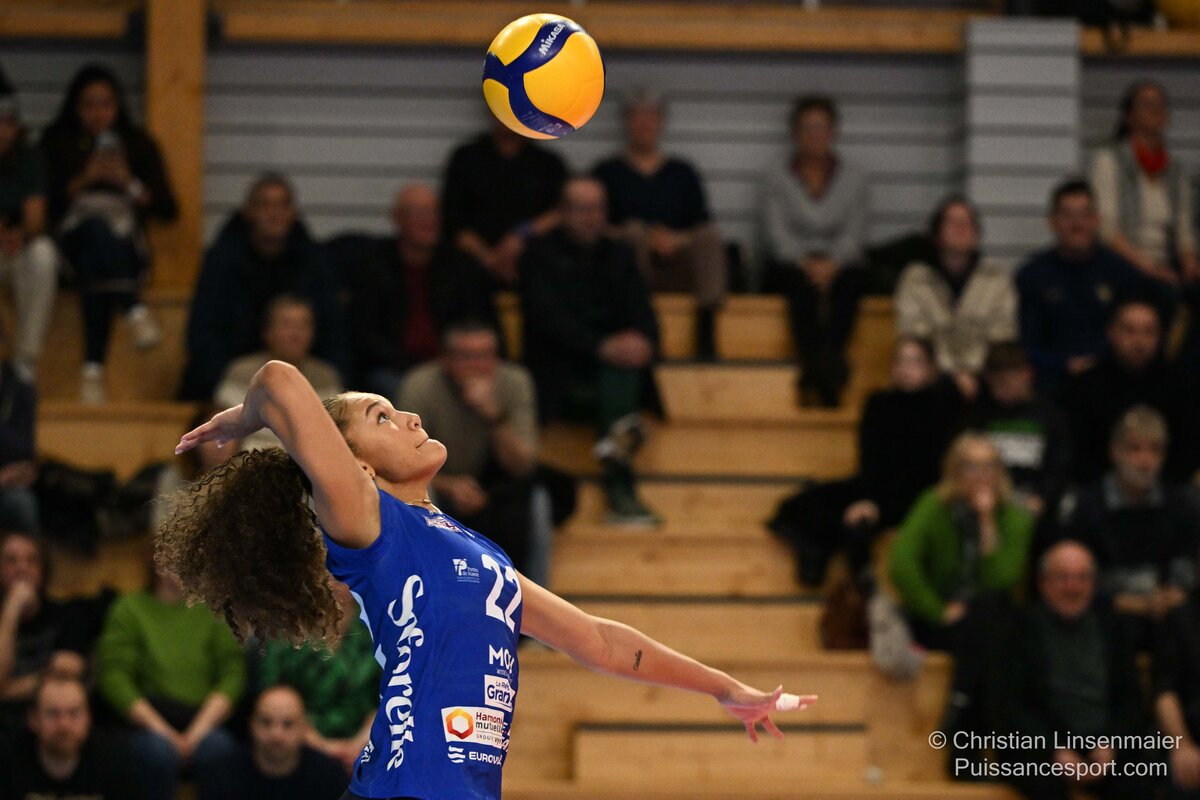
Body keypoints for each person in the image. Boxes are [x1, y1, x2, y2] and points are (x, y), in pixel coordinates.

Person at [159, 360, 817, 800]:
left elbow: (599, 642)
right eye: (382, 418)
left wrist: (723, 688)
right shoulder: (368, 521)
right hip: (408, 786)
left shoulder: (476, 551)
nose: (411, 418)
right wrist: (250, 417)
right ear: (358, 469)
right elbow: (278, 378)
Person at [519, 176, 660, 525]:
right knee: (619, 377)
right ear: (562, 212)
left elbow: (644, 313)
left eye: (597, 209)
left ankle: (618, 470)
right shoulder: (538, 255)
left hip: (613, 376)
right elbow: (546, 321)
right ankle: (620, 485)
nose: (591, 218)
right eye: (581, 209)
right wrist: (600, 346)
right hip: (558, 377)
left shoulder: (620, 254)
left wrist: (644, 342)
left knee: (621, 374)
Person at [769, 337, 963, 586]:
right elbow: (869, 458)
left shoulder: (942, 406)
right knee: (799, 507)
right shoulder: (878, 403)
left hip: (920, 496)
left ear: (931, 369)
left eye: (915, 362)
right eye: (900, 361)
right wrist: (868, 499)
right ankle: (819, 553)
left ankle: (862, 585)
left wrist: (877, 506)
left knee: (860, 527)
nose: (906, 369)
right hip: (876, 486)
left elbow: (930, 469)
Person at [38, 64, 177, 404]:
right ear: (75, 107)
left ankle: (93, 371)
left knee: (97, 264)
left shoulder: (138, 143)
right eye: (89, 105)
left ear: (118, 106)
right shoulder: (56, 142)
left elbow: (168, 209)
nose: (98, 113)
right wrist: (83, 180)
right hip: (70, 246)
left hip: (124, 248)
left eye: (106, 104)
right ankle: (132, 308)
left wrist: (128, 181)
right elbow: (44, 208)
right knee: (94, 232)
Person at [995, 541, 1151, 800]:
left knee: (1138, 781)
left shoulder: (1113, 629)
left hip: (1104, 744)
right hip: (1041, 746)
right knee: (1044, 783)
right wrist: (1054, 751)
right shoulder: (1019, 629)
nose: (1073, 587)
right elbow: (1011, 706)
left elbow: (1131, 702)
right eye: (1063, 578)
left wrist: (1111, 745)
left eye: (1082, 578)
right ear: (1044, 583)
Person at [181, 172, 348, 401]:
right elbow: (203, 331)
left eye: (282, 205)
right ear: (248, 211)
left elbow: (334, 331)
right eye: (265, 205)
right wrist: (223, 380)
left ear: (293, 212)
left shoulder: (314, 262)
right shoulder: (222, 260)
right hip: (234, 375)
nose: (274, 213)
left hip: (303, 372)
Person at [593, 87, 726, 359]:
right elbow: (595, 227)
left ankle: (706, 328)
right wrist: (643, 237)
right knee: (633, 233)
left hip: (677, 263)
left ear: (661, 121)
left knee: (709, 238)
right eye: (638, 116)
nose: (645, 123)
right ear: (627, 121)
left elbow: (702, 224)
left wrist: (675, 240)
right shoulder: (607, 172)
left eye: (651, 116)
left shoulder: (682, 172)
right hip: (629, 267)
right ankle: (640, 321)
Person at [398, 321, 538, 574]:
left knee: (535, 494)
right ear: (446, 359)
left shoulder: (514, 381)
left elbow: (522, 465)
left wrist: (493, 415)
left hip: (493, 485)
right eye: (467, 357)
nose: (477, 366)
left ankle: (522, 587)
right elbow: (401, 465)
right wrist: (449, 486)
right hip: (435, 483)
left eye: (485, 356)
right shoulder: (420, 385)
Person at [95, 565, 244, 800]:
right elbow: (114, 677)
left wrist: (195, 734)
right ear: (156, 561)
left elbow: (233, 674)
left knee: (219, 749)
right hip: (149, 721)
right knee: (156, 753)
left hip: (204, 719)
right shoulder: (129, 609)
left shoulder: (214, 611)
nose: (177, 567)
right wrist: (165, 734)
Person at [1054, 406, 1198, 647]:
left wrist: (1173, 594)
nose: (1145, 461)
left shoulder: (1180, 505)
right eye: (1135, 449)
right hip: (1104, 614)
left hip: (1165, 614)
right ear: (1114, 452)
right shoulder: (1085, 506)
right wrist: (1131, 604)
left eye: (1155, 450)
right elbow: (1074, 577)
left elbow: (1186, 564)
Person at [1015, 179, 1170, 394]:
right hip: (1052, 384)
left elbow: (1140, 332)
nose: (1077, 224)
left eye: (1084, 215)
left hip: (1115, 382)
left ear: (1096, 220)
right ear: (1053, 221)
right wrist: (1064, 365)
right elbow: (1026, 344)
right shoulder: (1032, 275)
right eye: (1068, 215)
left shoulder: (1121, 273)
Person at [761, 95, 868, 407]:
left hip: (841, 263)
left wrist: (832, 264)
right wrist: (806, 263)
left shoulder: (855, 177)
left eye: (821, 127)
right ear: (795, 133)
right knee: (799, 287)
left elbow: (856, 233)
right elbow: (775, 234)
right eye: (807, 127)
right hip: (791, 263)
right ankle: (828, 371)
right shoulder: (776, 175)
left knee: (851, 284)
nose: (814, 134)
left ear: (833, 132)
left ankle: (819, 369)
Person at [343, 184, 498, 397]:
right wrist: (408, 364)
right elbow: (363, 332)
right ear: (398, 218)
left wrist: (455, 361)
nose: (430, 220)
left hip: (456, 364)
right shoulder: (373, 265)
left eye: (435, 212)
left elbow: (479, 321)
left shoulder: (461, 266)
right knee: (399, 388)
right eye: (420, 213)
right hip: (394, 368)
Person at [1091, 81, 1200, 371]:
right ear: (1129, 115)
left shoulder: (1175, 170)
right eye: (1147, 105)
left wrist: (1190, 261)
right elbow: (1106, 230)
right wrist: (1150, 268)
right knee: (1164, 295)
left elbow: (1185, 230)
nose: (1156, 111)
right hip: (1122, 261)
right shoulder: (1109, 161)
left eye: (1161, 105)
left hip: (1166, 263)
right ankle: (1158, 370)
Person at [889, 432, 1034, 650]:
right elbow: (902, 564)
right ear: (955, 471)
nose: (982, 476)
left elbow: (1001, 582)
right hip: (941, 612)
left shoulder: (1015, 516)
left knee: (994, 615)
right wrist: (938, 610)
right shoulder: (934, 505)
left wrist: (986, 522)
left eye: (989, 466)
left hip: (991, 616)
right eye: (972, 467)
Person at [894, 196, 1017, 400]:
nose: (961, 228)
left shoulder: (996, 277)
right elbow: (914, 331)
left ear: (977, 232)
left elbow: (1002, 333)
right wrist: (951, 374)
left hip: (984, 373)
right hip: (932, 374)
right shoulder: (916, 277)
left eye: (967, 223)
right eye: (952, 222)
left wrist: (971, 371)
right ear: (937, 233)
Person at [1062, 299, 1194, 483]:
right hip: (1098, 490)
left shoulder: (1181, 386)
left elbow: (1188, 450)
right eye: (1130, 330)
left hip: (1167, 491)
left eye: (1148, 331)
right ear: (1111, 332)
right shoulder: (1085, 387)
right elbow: (1075, 452)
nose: (1139, 341)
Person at [255, 583, 378, 773]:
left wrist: (361, 744)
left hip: (369, 742)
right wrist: (322, 747)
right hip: (299, 744)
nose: (335, 582)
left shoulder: (378, 624)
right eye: (327, 574)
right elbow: (274, 696)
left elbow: (392, 693)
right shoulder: (289, 627)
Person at [0, 531, 106, 735]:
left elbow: (66, 674)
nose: (22, 568)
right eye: (11, 560)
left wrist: (5, 691)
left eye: (31, 560)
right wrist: (12, 609)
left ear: (43, 569)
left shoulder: (67, 615)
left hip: (54, 727)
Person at [441, 117, 567, 287]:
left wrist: (522, 235)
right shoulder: (467, 158)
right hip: (472, 268)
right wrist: (488, 257)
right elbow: (453, 220)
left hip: (536, 270)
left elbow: (561, 211)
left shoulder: (547, 163)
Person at [215, 294, 343, 452]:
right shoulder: (241, 372)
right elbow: (224, 429)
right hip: (249, 457)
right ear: (267, 332)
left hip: (308, 461)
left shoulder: (326, 376)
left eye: (303, 325)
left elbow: (334, 434)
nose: (295, 334)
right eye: (287, 324)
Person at [967, 342, 1070, 518]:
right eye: (997, 382)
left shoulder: (1050, 416)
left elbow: (1060, 466)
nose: (1004, 387)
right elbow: (964, 459)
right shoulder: (979, 416)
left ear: (1027, 375)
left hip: (1034, 500)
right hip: (988, 497)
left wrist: (1043, 498)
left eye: (1010, 380)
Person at [0, 69, 57, 383]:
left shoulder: (28, 157)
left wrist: (19, 234)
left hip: (13, 247)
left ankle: (25, 361)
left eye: (6, 123)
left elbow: (35, 217)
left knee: (43, 254)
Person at [198, 685, 348, 800]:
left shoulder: (330, 777)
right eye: (266, 722)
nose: (276, 734)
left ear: (304, 728)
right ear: (252, 725)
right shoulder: (221, 776)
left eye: (288, 724)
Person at [0, 675, 134, 800]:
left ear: (88, 717)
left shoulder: (115, 760)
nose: (64, 725)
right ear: (33, 719)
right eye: (52, 714)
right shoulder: (7, 761)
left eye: (74, 713)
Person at [1154, 586, 1200, 799]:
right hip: (1191, 740)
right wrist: (1181, 746)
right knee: (1182, 776)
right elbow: (1165, 693)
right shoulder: (1180, 620)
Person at [0, 332, 37, 533]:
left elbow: (24, 450)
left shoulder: (20, 390)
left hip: (11, 486)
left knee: (22, 503)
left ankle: (25, 553)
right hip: (5, 475)